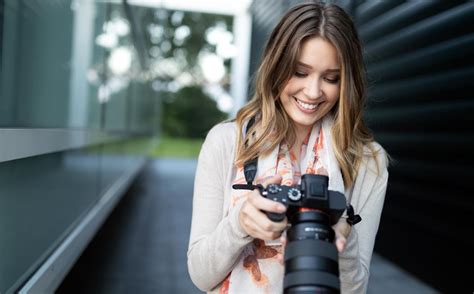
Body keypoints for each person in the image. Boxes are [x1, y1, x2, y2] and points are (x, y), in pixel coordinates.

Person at [187, 2, 389, 293]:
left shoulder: (368, 161)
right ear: (277, 65)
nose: (313, 91)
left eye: (331, 78)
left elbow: (355, 290)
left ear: (347, 81)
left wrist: (343, 240)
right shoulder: (226, 142)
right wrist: (239, 223)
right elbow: (201, 275)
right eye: (299, 72)